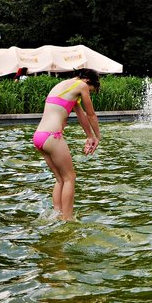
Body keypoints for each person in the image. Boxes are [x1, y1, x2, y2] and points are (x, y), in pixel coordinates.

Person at [32, 68, 102, 221]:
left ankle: (57, 214)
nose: (89, 92)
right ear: (88, 81)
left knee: (60, 179)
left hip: (39, 136)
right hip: (52, 136)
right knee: (70, 178)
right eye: (92, 90)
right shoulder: (82, 86)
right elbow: (91, 114)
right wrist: (98, 137)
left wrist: (90, 136)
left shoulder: (64, 85)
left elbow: (81, 114)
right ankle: (68, 219)